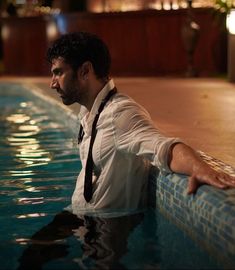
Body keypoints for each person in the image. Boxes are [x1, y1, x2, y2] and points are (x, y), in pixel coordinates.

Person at [46, 31, 235, 215]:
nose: (52, 84)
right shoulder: (89, 111)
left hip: (100, 230)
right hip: (78, 216)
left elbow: (164, 148)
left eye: (58, 73)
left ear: (85, 71)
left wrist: (201, 168)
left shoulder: (119, 114)